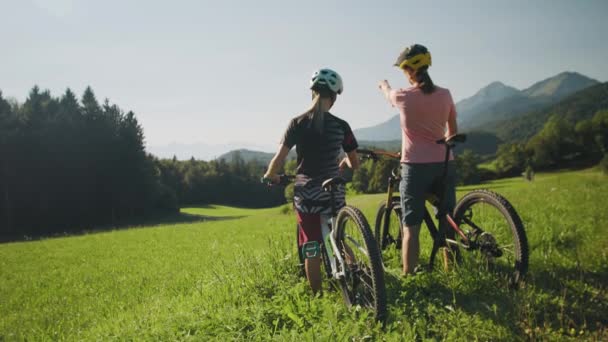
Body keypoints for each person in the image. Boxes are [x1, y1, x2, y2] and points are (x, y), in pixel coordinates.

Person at [263, 68, 360, 293]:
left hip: (307, 194)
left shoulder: (297, 123)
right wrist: (342, 164)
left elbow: (278, 159)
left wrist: (270, 175)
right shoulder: (341, 126)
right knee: (340, 237)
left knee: (312, 246)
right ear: (334, 98)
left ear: (312, 93)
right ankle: (357, 277)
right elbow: (354, 163)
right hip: (333, 191)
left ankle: (317, 297)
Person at [378, 44, 458, 275]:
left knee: (411, 227)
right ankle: (450, 270)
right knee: (447, 218)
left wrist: (384, 84)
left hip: (414, 167)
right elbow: (452, 132)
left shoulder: (403, 96)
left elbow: (388, 94)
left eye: (404, 70)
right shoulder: (445, 94)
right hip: (444, 163)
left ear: (409, 70)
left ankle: (409, 275)